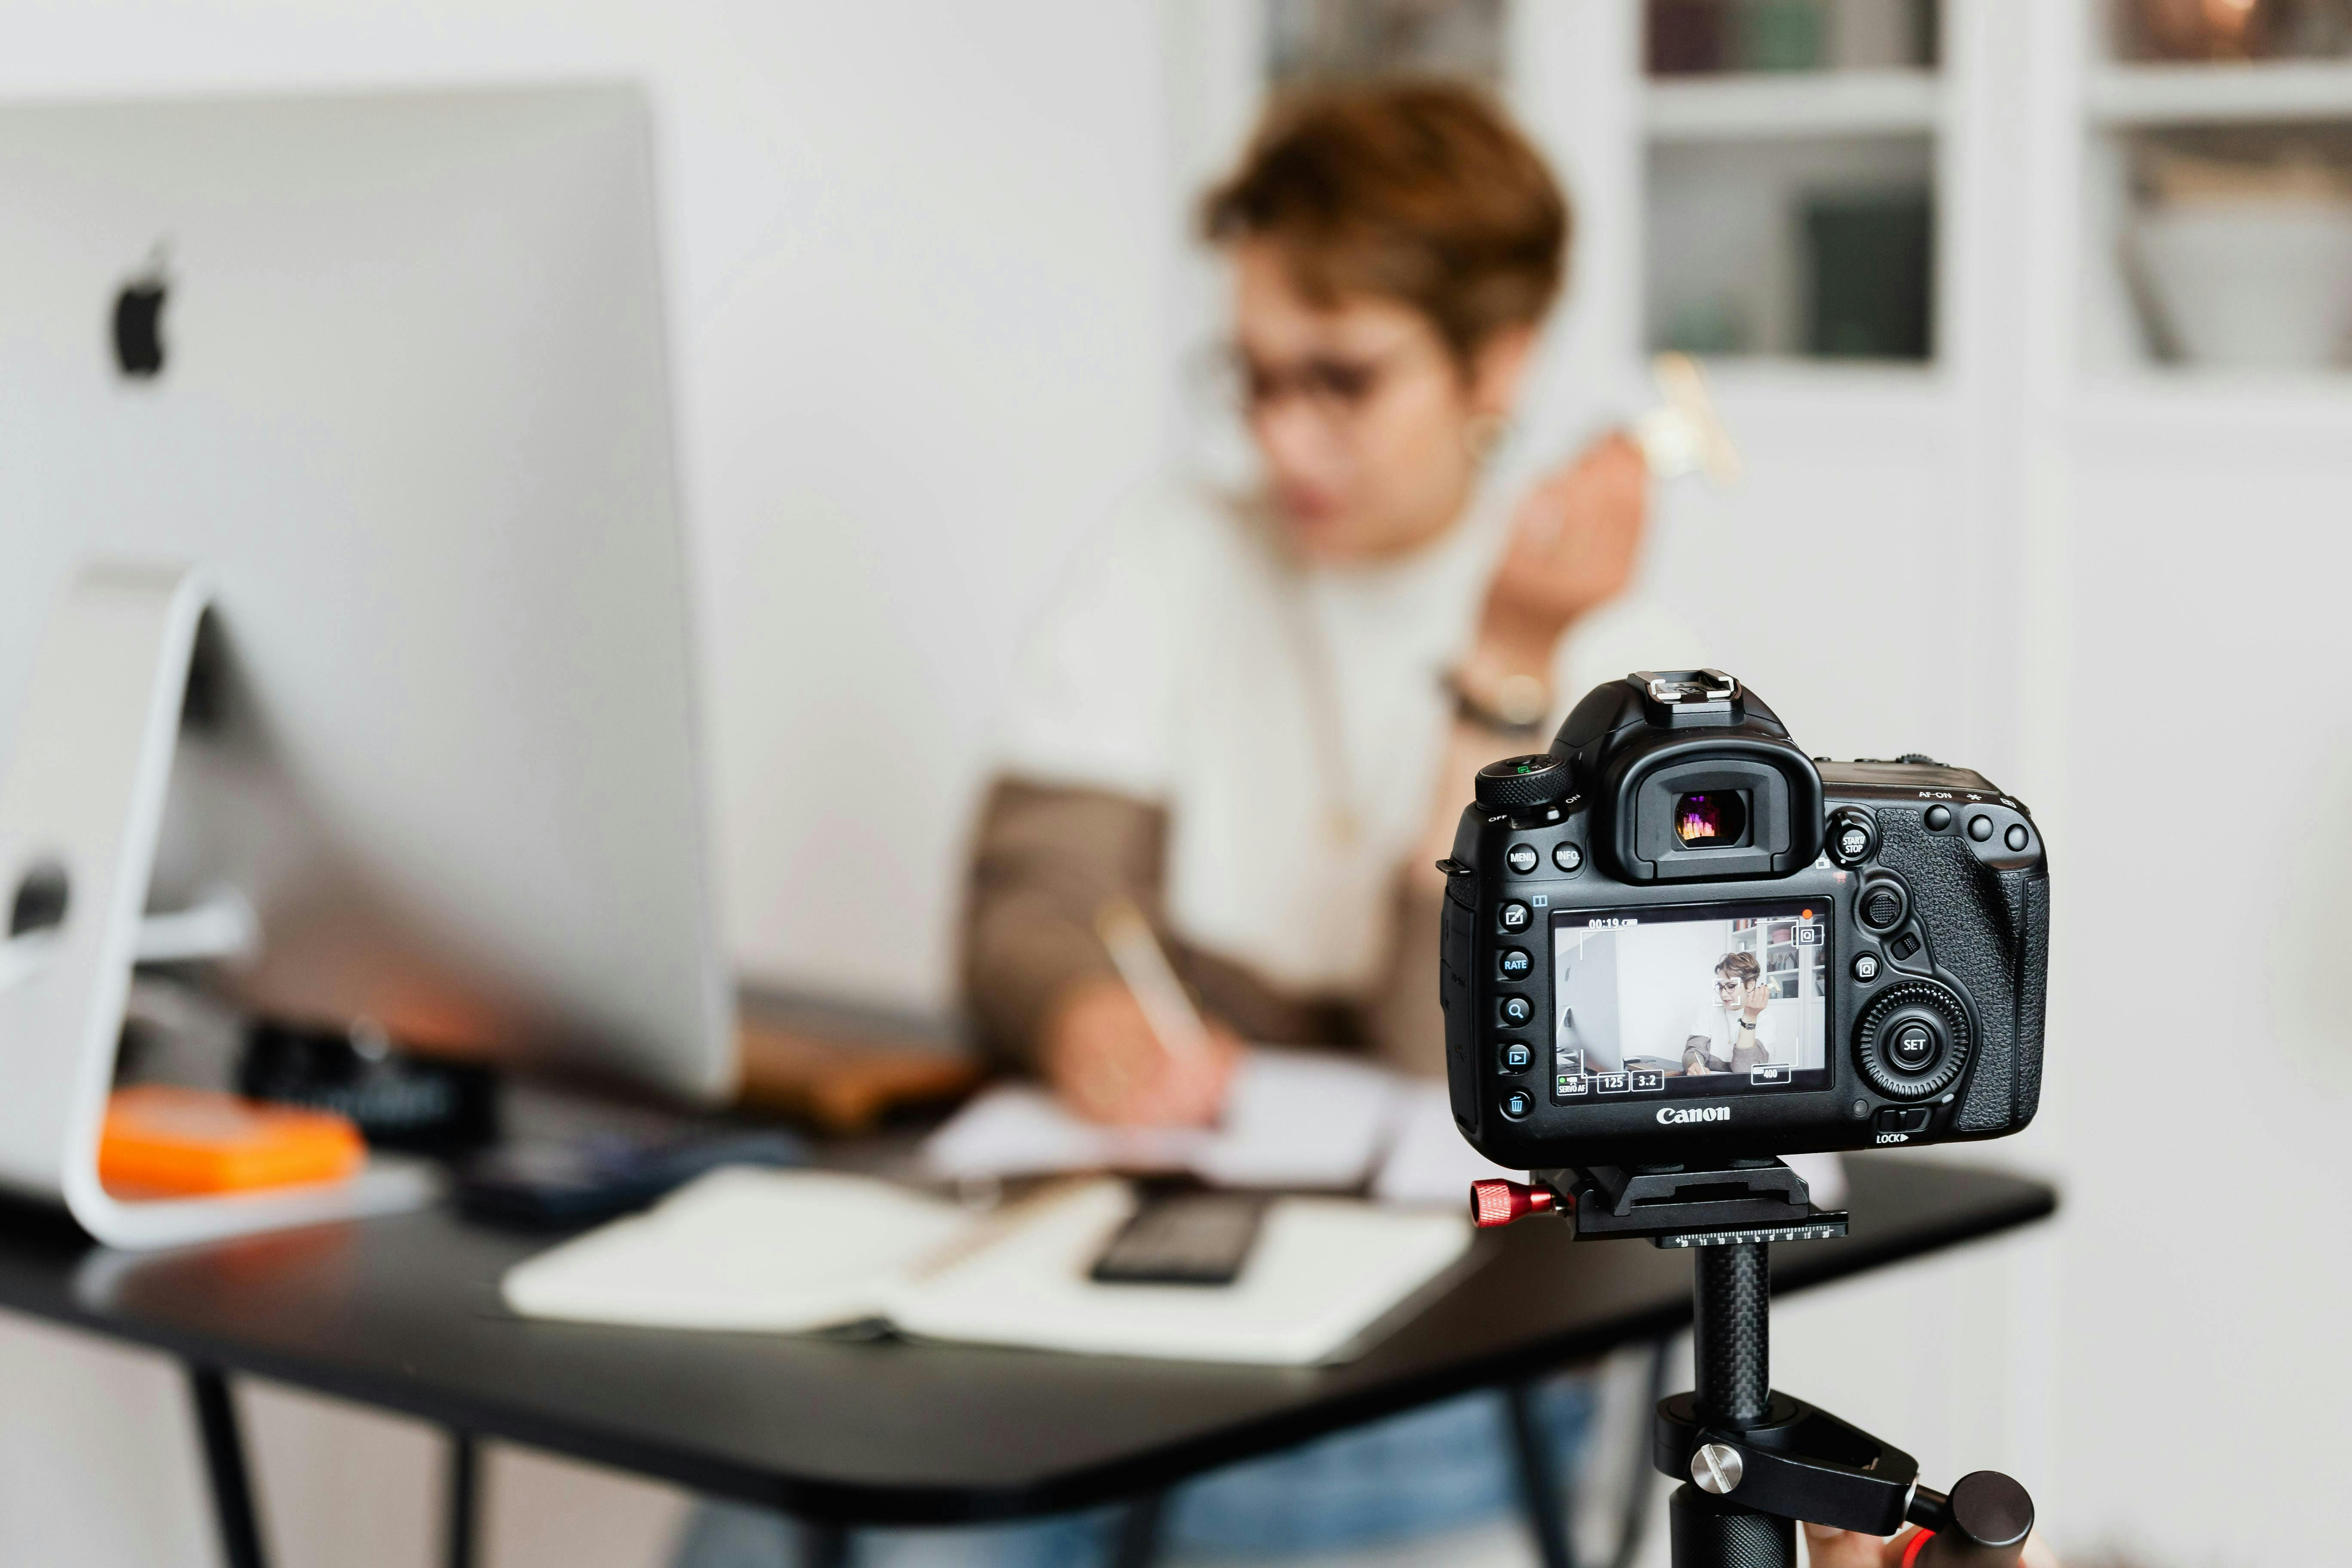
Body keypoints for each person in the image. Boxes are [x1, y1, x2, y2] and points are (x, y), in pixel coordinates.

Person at [1681, 950, 1783, 1075]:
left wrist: (1749, 1017)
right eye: (1720, 987)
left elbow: (1745, 1071)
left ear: (1750, 985)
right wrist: (1694, 1064)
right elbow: (1693, 1051)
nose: (1723, 994)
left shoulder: (1766, 1019)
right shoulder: (1711, 1010)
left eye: (1731, 987)